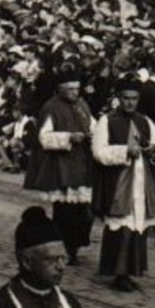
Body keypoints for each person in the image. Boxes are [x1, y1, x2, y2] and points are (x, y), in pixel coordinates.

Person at [90, 78, 155, 292]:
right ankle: (118, 272)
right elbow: (99, 152)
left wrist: (153, 149)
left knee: (137, 224)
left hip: (141, 180)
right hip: (119, 180)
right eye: (126, 98)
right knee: (121, 223)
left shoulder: (145, 121)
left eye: (134, 99)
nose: (130, 103)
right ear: (118, 99)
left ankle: (132, 270)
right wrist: (124, 151)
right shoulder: (107, 121)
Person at [23, 67, 96, 262]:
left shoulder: (82, 104)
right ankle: (65, 248)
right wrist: (69, 137)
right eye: (71, 89)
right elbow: (44, 138)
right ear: (61, 89)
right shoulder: (51, 107)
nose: (75, 93)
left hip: (82, 163)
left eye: (77, 89)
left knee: (83, 211)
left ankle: (76, 244)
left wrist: (94, 134)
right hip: (61, 165)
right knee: (65, 213)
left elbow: (92, 124)